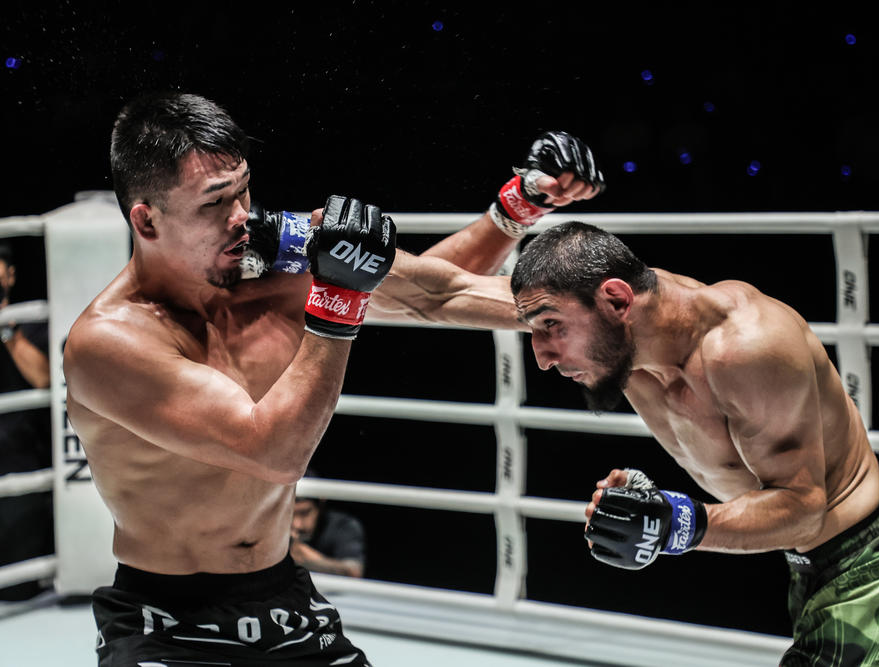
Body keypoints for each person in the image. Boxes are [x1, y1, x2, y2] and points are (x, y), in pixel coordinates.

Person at [62, 91, 602, 665]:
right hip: (165, 621)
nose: (241, 215)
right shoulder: (109, 342)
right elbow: (274, 451)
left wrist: (545, 243)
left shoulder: (270, 256)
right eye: (214, 202)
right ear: (146, 219)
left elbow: (430, 293)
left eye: (243, 189)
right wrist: (338, 296)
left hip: (285, 598)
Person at [509, 221, 879, 666]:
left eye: (551, 326)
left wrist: (675, 522)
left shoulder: (745, 347)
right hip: (826, 571)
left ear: (616, 300)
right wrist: (518, 202)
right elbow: (460, 294)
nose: (543, 356)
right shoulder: (611, 327)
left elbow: (805, 509)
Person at [0, 241, 54, 602]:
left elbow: (43, 378)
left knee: (19, 590)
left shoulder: (31, 323)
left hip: (18, 457)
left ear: (10, 275)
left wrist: (5, 328)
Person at [290, 494, 365, 578]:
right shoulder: (281, 526)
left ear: (321, 503)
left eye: (305, 513)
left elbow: (353, 572)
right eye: (290, 513)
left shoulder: (343, 525)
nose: (297, 524)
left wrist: (303, 555)